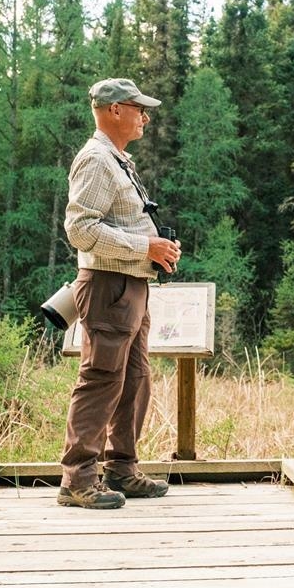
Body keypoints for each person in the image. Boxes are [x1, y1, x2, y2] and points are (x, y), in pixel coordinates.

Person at [57, 78, 181, 509]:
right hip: (108, 287)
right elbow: (80, 229)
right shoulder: (95, 159)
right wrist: (145, 246)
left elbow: (118, 223)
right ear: (113, 110)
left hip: (130, 286)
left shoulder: (118, 159)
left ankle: (122, 470)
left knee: (134, 379)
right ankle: (78, 480)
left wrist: (158, 251)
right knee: (101, 378)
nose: (145, 116)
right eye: (138, 108)